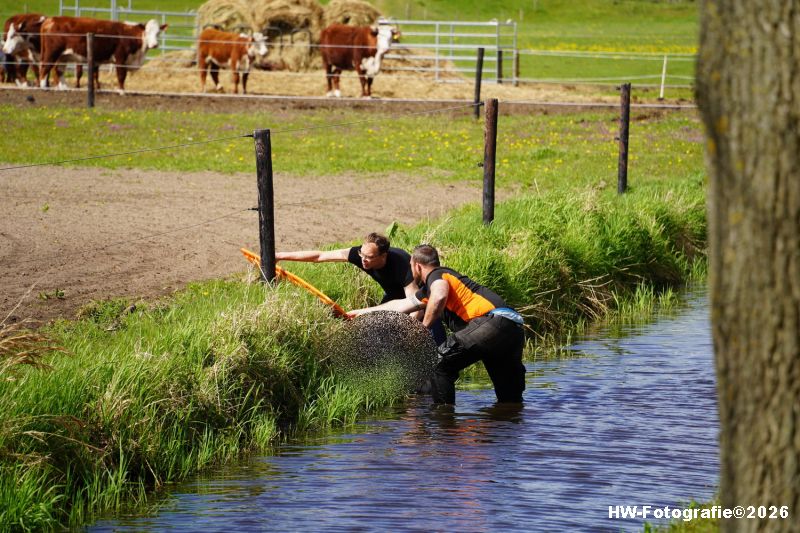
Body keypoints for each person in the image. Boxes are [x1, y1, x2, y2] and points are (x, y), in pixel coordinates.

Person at [350, 244, 526, 404]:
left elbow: (440, 295)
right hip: (513, 328)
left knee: (438, 364)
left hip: (491, 323)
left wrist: (422, 328)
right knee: (509, 399)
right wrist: (360, 313)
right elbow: (399, 305)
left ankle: (444, 426)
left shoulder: (437, 275)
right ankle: (507, 432)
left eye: (412, 267)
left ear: (416, 265)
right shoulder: (429, 288)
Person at [275, 232, 418, 304]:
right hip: (393, 295)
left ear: (383, 256)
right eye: (362, 254)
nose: (363, 260)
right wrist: (280, 256)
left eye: (369, 257)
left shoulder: (402, 265)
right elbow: (319, 256)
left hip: (421, 296)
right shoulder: (359, 255)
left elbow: (415, 303)